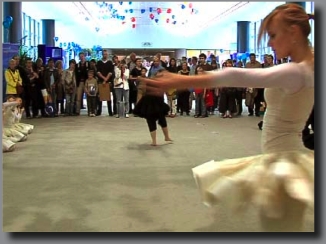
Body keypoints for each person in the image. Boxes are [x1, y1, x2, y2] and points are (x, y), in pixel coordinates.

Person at [141, 3, 314, 232]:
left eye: (273, 35)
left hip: (283, 162)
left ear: (293, 32)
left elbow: (235, 75)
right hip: (281, 157)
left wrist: (181, 81)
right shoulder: (305, 68)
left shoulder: (296, 72)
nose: (270, 43)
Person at [133, 64, 172, 147]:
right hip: (149, 103)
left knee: (162, 120)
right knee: (151, 120)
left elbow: (167, 92)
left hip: (159, 103)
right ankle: (154, 141)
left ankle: (167, 137)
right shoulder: (151, 81)